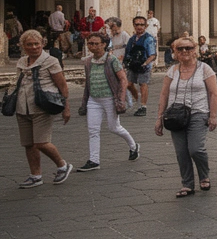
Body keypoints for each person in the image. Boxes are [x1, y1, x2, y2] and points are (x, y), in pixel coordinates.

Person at [152, 37, 217, 196]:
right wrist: (159, 118)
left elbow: (213, 94)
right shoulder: (172, 71)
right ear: (175, 52)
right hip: (175, 116)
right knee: (181, 152)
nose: (184, 51)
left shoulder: (205, 69)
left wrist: (213, 116)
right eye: (180, 48)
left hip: (198, 112)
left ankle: (204, 175)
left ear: (195, 50)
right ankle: (187, 184)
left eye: (188, 48)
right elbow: (164, 94)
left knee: (196, 149)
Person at [12, 30, 73, 188]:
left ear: (42, 44)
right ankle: (35, 175)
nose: (33, 47)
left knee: (41, 142)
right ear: (23, 46)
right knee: (28, 144)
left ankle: (62, 165)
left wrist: (66, 108)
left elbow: (63, 86)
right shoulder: (21, 62)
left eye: (36, 44)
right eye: (29, 44)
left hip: (42, 106)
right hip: (22, 107)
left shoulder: (51, 61)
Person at [75, 32, 139, 172]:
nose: (92, 46)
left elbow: (123, 79)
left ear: (104, 44)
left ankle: (133, 146)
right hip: (93, 100)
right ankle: (94, 160)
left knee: (114, 127)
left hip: (110, 99)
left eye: (96, 43)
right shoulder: (88, 61)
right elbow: (88, 81)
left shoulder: (111, 60)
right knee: (93, 130)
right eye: (90, 43)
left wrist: (121, 98)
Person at [124, 16, 157, 116]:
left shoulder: (148, 38)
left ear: (146, 26)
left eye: (142, 24)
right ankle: (138, 100)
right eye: (137, 24)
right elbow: (128, 51)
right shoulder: (132, 39)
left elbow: (152, 55)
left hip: (144, 66)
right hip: (133, 65)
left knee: (143, 84)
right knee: (128, 84)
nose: (139, 27)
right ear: (134, 25)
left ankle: (143, 106)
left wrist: (145, 63)